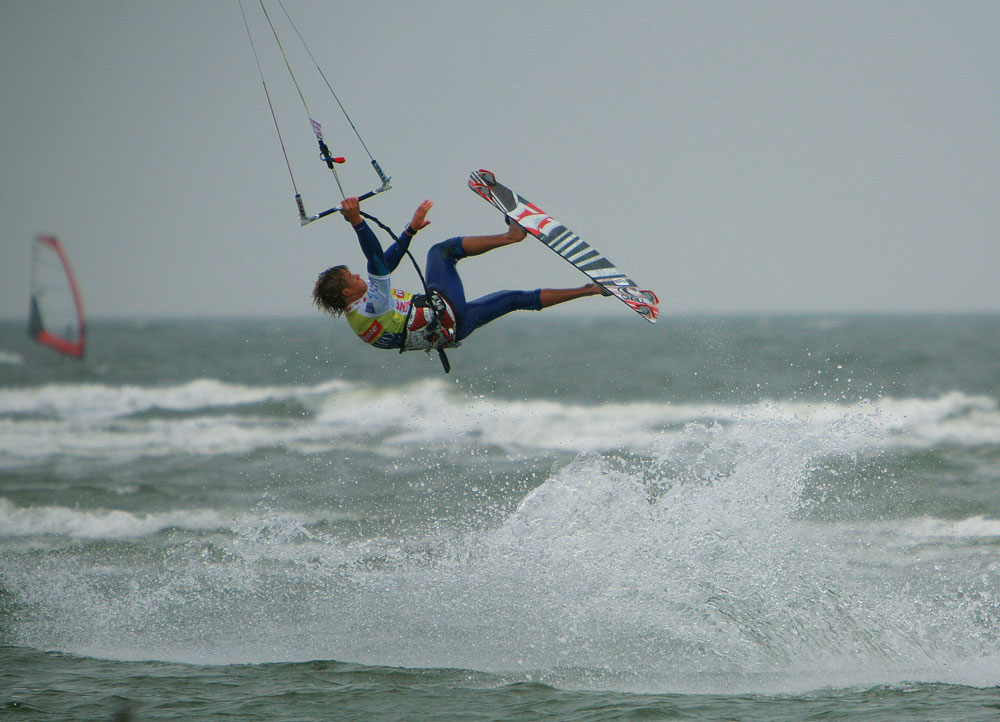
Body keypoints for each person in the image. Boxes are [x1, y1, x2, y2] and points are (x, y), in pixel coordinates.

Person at [312, 197, 604, 353]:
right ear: (347, 292)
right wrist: (357, 222)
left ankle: (590, 290)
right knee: (441, 251)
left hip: (453, 329)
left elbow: (383, 266)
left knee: (515, 299)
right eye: (352, 277)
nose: (359, 277)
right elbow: (376, 260)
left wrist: (410, 230)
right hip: (445, 311)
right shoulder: (370, 306)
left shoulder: (359, 314)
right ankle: (512, 236)